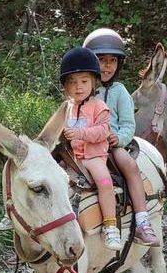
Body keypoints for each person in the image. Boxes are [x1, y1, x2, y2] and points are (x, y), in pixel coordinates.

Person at [83, 28, 159, 246]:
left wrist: (120, 138)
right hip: (83, 142)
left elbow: (128, 124)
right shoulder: (83, 87)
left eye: (112, 60)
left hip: (110, 142)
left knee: (129, 165)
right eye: (101, 60)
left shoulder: (120, 91)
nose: (107, 66)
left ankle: (142, 221)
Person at [58, 47, 121, 251]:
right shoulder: (65, 108)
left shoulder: (99, 106)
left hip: (93, 156)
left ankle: (110, 225)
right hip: (71, 157)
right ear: (65, 85)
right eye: (72, 82)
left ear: (93, 82)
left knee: (104, 181)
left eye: (84, 81)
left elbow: (103, 130)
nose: (78, 87)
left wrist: (80, 134)